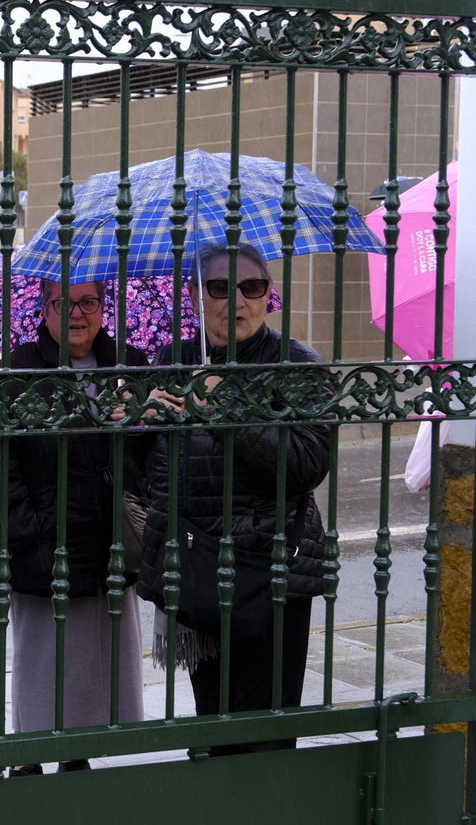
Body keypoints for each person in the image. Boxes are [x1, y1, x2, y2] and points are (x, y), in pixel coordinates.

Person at [135, 243, 330, 755]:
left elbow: (307, 464)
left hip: (271, 573)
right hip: (199, 568)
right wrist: (140, 426)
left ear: (269, 295)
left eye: (252, 287)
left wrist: (228, 410)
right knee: (214, 727)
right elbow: (150, 477)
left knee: (265, 730)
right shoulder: (172, 360)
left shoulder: (295, 363)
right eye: (219, 288)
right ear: (197, 298)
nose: (236, 301)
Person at [0, 279, 150, 774]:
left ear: (103, 307)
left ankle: (79, 759)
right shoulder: (16, 371)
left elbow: (156, 455)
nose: (75, 313)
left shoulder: (131, 366)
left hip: (110, 544)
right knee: (43, 667)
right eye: (61, 302)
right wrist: (29, 530)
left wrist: (132, 425)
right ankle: (30, 759)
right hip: (45, 551)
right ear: (43, 309)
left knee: (97, 667)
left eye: (87, 301)